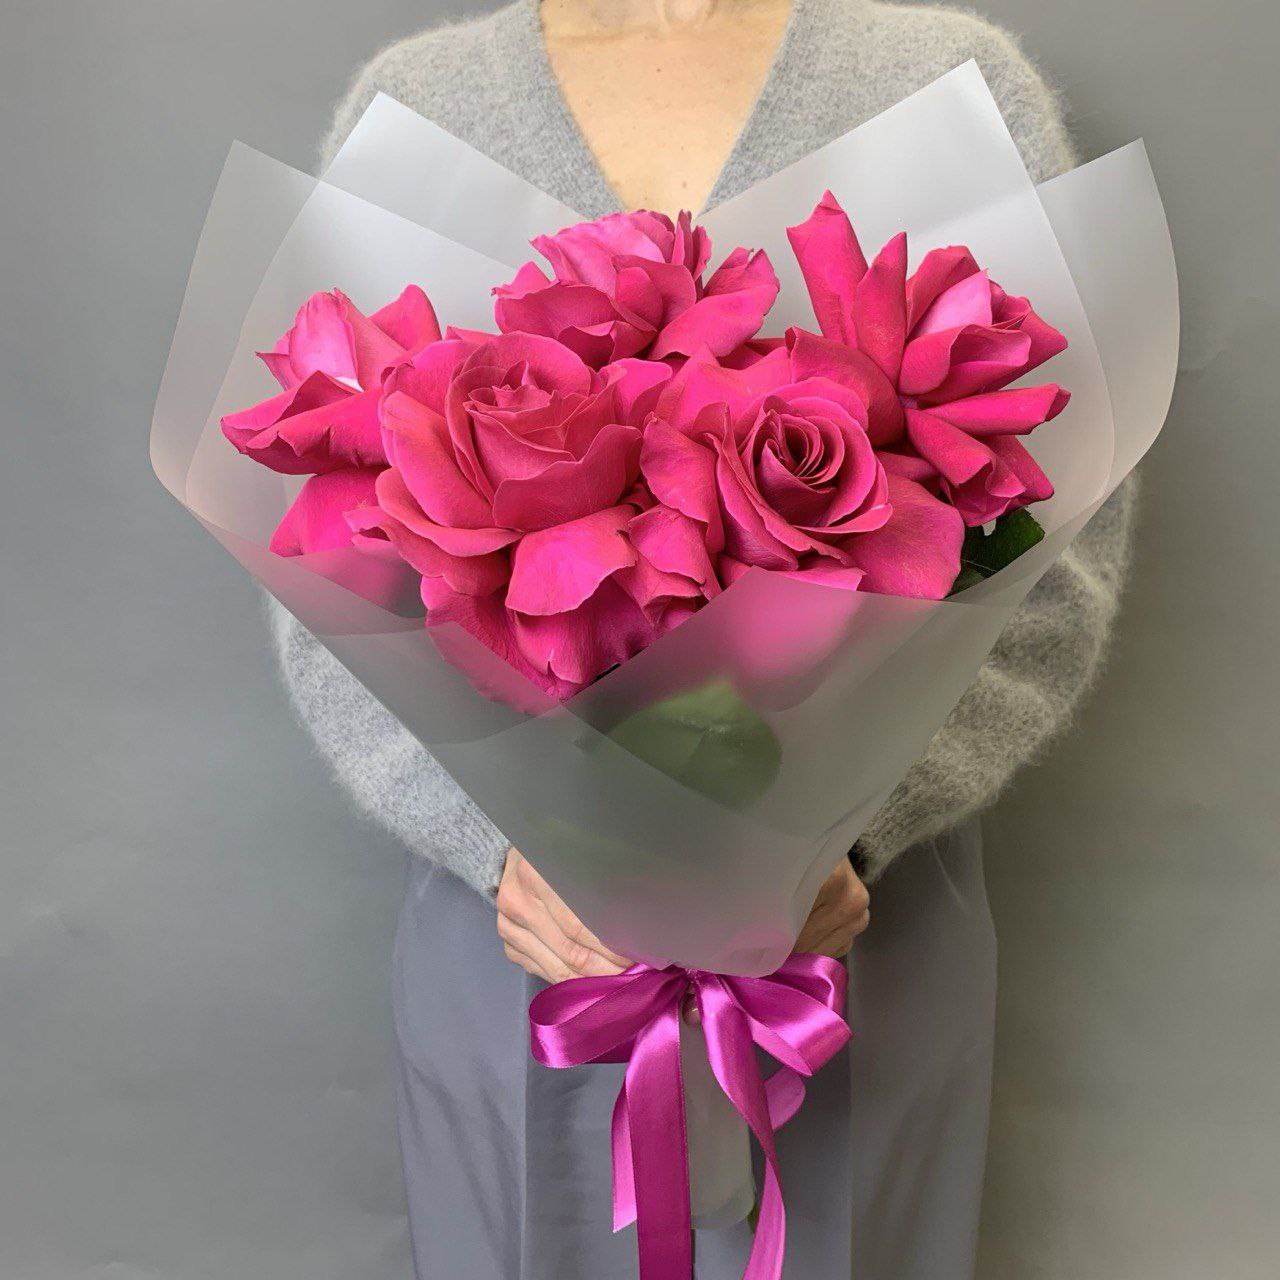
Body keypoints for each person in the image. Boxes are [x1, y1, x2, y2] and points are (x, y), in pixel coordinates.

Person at [270, 1, 1137, 1276]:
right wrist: (487, 838)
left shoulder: (950, 83)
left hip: (850, 933)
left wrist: (850, 830)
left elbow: (1059, 550)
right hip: (527, 934)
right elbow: (323, 545)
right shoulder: (417, 104)